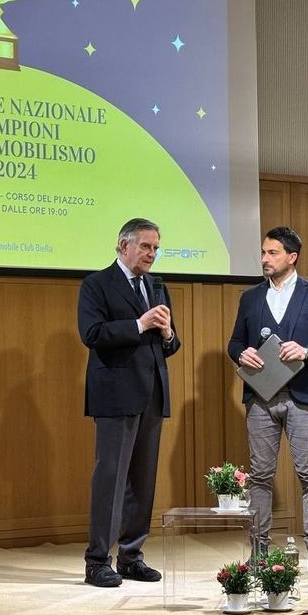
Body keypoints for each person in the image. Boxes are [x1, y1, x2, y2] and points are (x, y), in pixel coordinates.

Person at [227, 226, 308, 574]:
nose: (265, 258)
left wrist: (307, 351)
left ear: (292, 257)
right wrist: (241, 354)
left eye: (272, 253)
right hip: (260, 396)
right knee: (260, 475)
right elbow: (234, 342)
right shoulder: (250, 298)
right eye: (263, 252)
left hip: (303, 397)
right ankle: (259, 550)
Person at [78, 218, 180, 587]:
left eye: (156, 248)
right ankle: (97, 561)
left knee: (142, 481)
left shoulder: (156, 286)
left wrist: (167, 333)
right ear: (124, 246)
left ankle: (131, 557)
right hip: (116, 394)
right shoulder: (97, 284)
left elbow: (171, 345)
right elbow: (91, 334)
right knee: (111, 478)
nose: (152, 254)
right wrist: (139, 324)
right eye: (146, 247)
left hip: (152, 392)